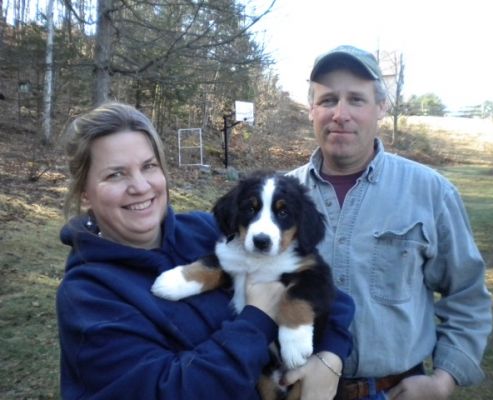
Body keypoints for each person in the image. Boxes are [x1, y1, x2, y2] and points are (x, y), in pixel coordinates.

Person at [56, 102, 355, 399]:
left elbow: (334, 301)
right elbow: (169, 391)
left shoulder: (204, 230)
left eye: (149, 166)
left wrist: (330, 359)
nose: (140, 186)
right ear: (85, 192)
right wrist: (258, 318)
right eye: (115, 174)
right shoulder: (87, 294)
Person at [287, 45, 493, 400]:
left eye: (356, 99)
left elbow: (468, 295)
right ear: (311, 109)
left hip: (394, 390)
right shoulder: (277, 201)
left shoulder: (430, 192)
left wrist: (442, 381)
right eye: (328, 100)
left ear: (381, 107)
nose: (340, 114)